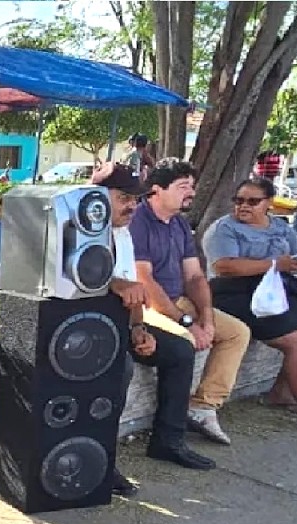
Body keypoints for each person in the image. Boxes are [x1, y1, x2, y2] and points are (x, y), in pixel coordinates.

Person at [93, 162, 215, 486]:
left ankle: (168, 441)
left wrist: (138, 330)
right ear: (96, 197)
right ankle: (99, 461)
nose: (132, 205)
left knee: (178, 350)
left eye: (135, 197)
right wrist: (113, 285)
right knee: (120, 371)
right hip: (85, 329)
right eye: (123, 197)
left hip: (120, 325)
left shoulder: (124, 233)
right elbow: (67, 282)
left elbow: (135, 292)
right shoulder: (75, 231)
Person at [202, 177, 297, 433]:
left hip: (276, 290)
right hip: (237, 293)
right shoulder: (225, 228)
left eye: (253, 202)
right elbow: (224, 266)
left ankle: (280, 391)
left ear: (268, 203)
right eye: (239, 201)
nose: (244, 206)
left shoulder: (280, 227)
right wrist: (275, 264)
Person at [130, 158, 252, 446]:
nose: (191, 193)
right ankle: (168, 434)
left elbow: (196, 276)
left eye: (192, 187)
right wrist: (187, 322)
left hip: (180, 300)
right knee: (183, 342)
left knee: (237, 332)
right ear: (156, 190)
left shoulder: (180, 225)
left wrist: (206, 319)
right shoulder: (139, 221)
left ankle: (203, 406)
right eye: (183, 186)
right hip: (148, 306)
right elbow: (144, 280)